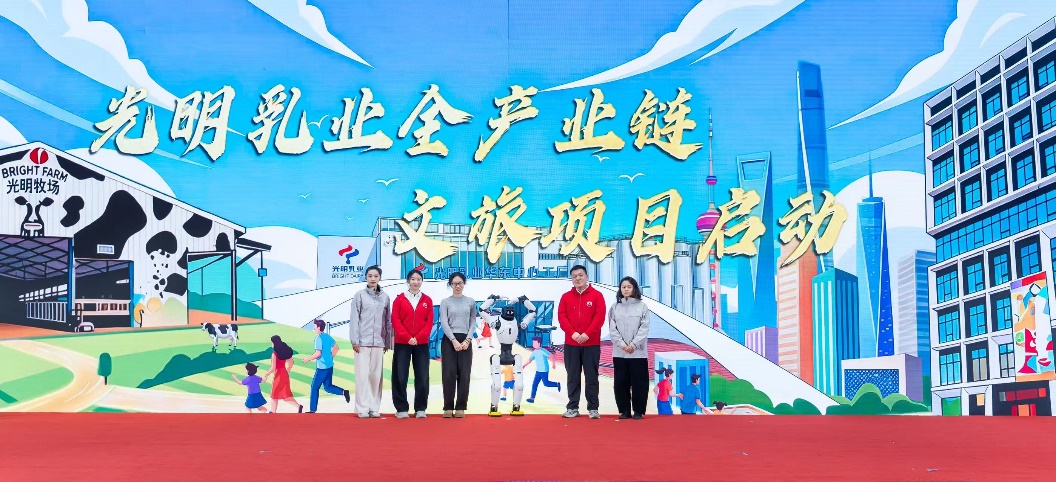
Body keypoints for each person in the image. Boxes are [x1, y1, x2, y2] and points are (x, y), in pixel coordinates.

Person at [557, 265, 606, 419]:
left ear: (586, 277)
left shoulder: (597, 296)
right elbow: (562, 317)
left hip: (591, 344)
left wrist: (587, 334)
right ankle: (572, 407)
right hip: (571, 344)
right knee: (573, 376)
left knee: (591, 376)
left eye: (580, 275)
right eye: (574, 276)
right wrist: (573, 333)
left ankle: (593, 408)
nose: (578, 278)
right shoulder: (566, 297)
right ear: (571, 279)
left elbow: (599, 317)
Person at [349, 265, 393, 418]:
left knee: (376, 377)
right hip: (362, 342)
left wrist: (387, 341)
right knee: (362, 376)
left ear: (379, 277)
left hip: (379, 342)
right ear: (366, 277)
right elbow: (354, 318)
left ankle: (374, 408)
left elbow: (387, 320)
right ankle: (362, 408)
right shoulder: (359, 295)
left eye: (375, 276)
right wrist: (354, 340)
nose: (373, 279)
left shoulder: (385, 297)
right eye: (370, 276)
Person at [391, 269, 434, 419]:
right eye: (413, 279)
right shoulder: (399, 299)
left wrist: (418, 337)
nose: (416, 282)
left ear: (422, 281)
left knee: (422, 375)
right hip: (403, 343)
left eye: (419, 279)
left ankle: (420, 408)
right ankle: (401, 408)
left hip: (421, 344)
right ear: (408, 281)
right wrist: (407, 337)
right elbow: (395, 320)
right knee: (400, 375)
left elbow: (429, 322)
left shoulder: (427, 300)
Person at [608, 276, 650, 420]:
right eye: (623, 287)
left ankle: (638, 411)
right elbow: (612, 329)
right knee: (621, 382)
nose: (626, 289)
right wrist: (622, 345)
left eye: (629, 287)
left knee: (639, 382)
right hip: (620, 352)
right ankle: (624, 410)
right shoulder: (615, 307)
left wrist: (633, 345)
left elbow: (644, 328)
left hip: (638, 352)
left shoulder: (642, 306)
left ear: (634, 288)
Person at [439, 272, 475, 418]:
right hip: (449, 340)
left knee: (464, 374)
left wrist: (468, 340)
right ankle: (448, 407)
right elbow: (444, 322)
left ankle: (461, 406)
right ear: (450, 285)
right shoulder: (445, 302)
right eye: (454, 283)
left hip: (466, 340)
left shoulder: (470, 301)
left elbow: (473, 321)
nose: (457, 286)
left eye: (460, 283)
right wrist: (453, 340)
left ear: (464, 284)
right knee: (448, 374)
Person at [303, 320, 350, 413]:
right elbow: (336, 348)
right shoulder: (327, 336)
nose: (314, 328)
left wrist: (308, 359)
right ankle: (344, 392)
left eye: (315, 326)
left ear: (319, 327)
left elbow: (318, 353)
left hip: (322, 368)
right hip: (329, 366)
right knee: (328, 387)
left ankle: (312, 409)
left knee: (314, 387)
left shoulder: (318, 339)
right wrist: (330, 357)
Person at [260, 335, 303, 413]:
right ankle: (298, 406)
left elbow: (273, 367)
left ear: (274, 343)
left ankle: (273, 412)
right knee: (285, 394)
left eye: (271, 342)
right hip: (284, 373)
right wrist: (287, 371)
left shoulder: (275, 354)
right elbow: (291, 362)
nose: (271, 344)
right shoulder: (284, 352)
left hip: (279, 375)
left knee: (274, 394)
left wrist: (266, 374)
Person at [523, 336, 560, 403]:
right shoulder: (534, 352)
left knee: (546, 383)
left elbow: (551, 355)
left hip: (544, 370)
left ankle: (557, 384)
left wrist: (553, 364)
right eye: (533, 343)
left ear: (539, 343)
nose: (533, 344)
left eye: (535, 343)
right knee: (534, 384)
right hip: (538, 371)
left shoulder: (542, 350)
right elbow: (530, 359)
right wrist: (524, 365)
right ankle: (532, 398)